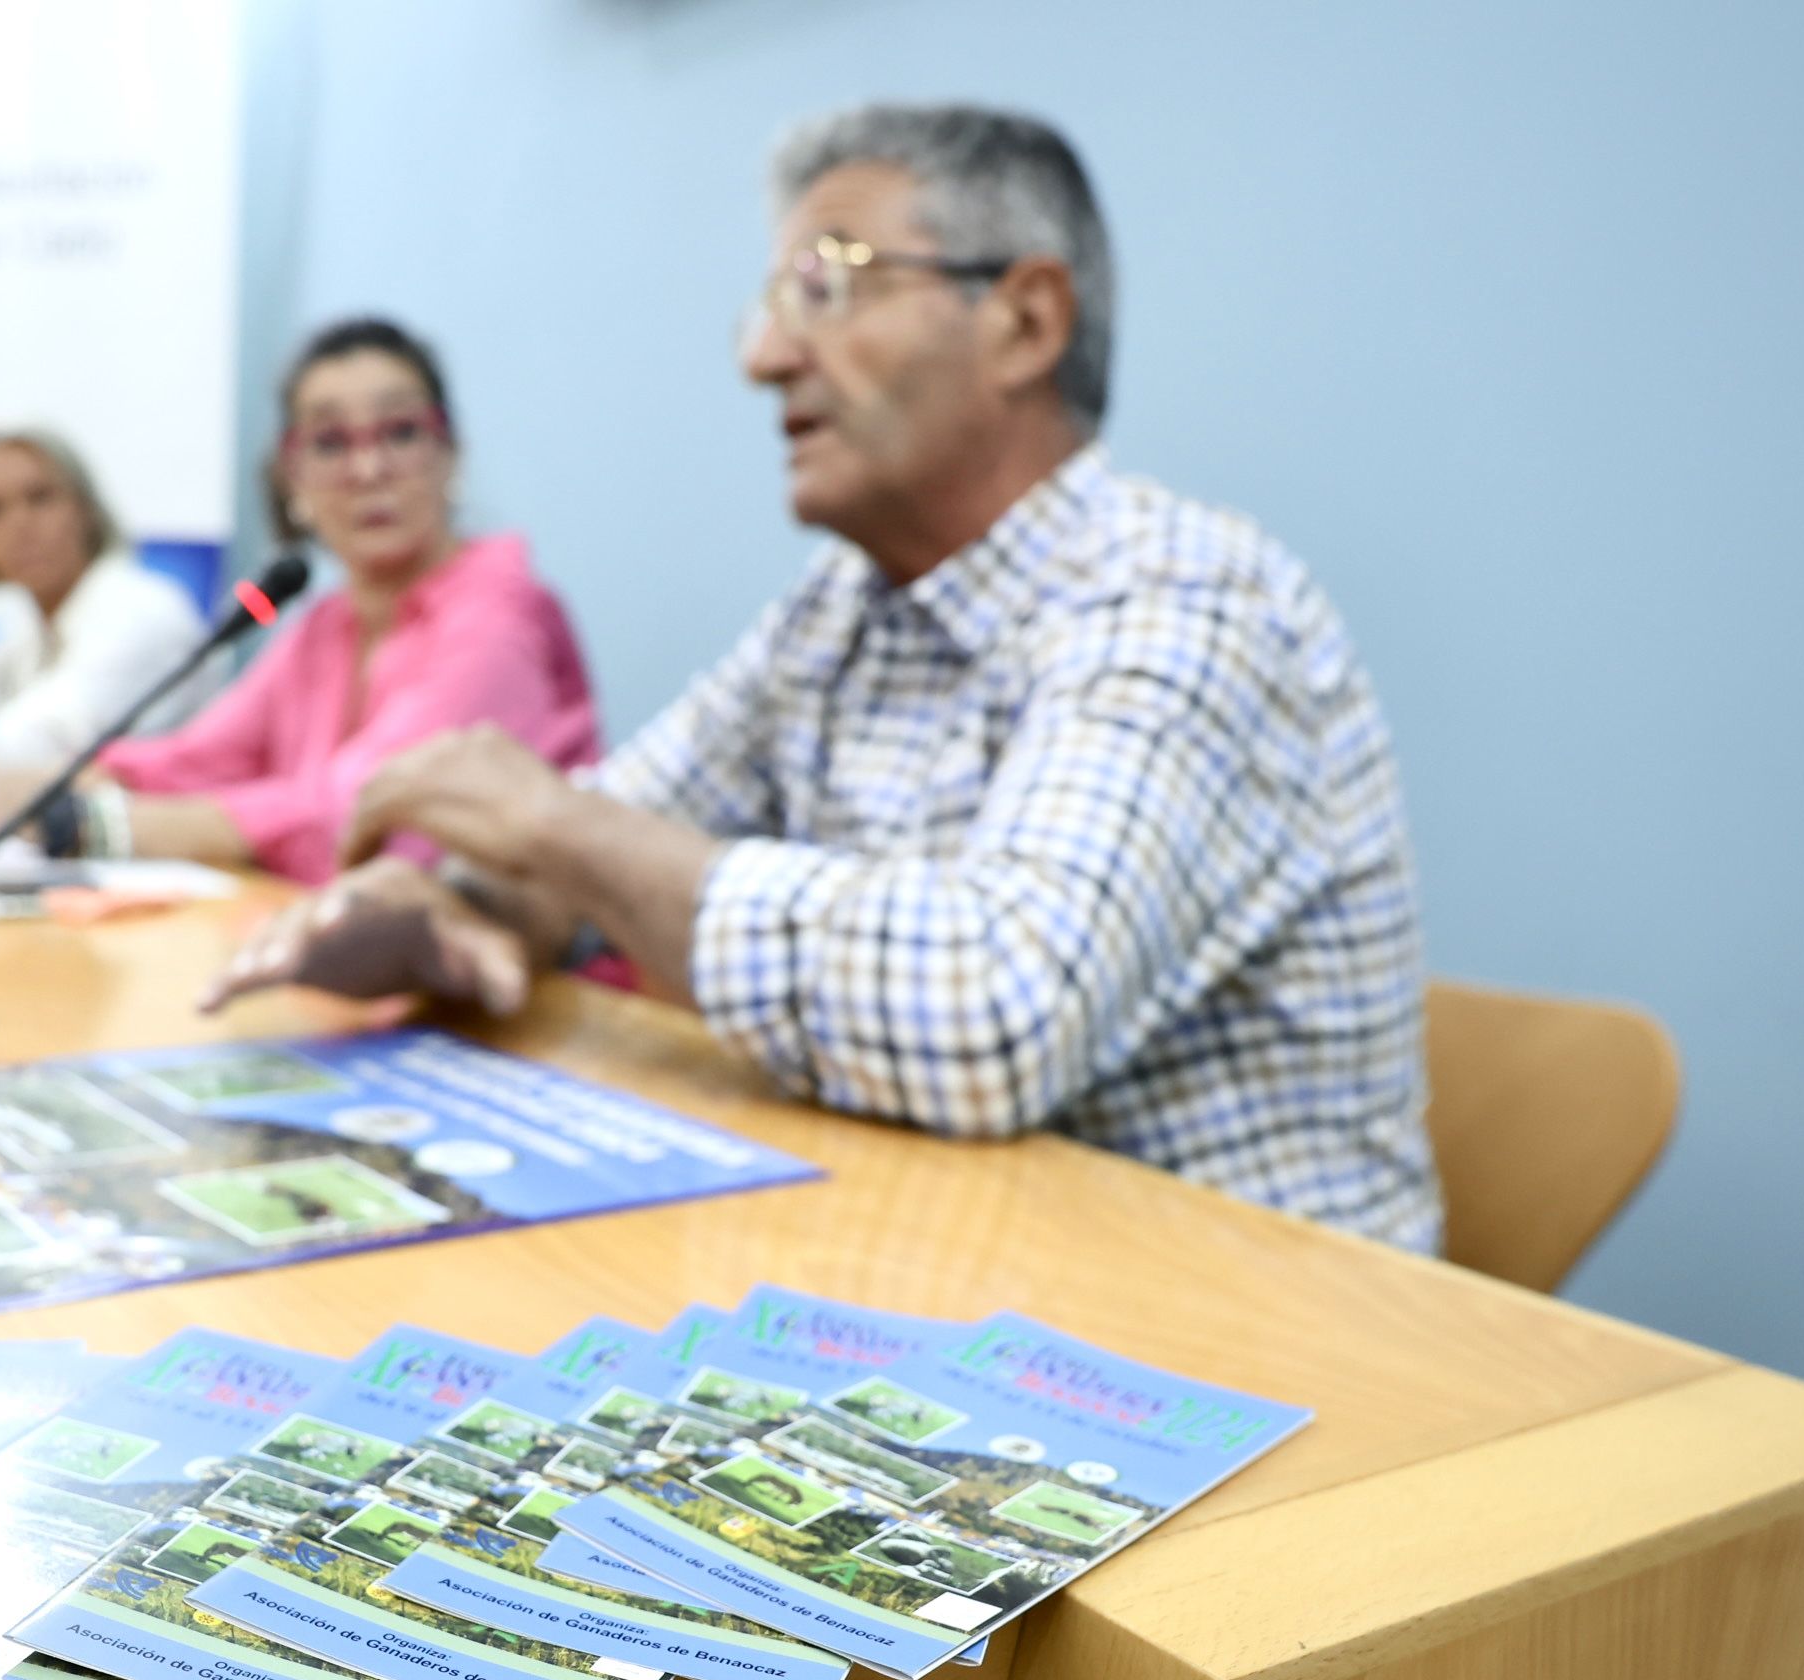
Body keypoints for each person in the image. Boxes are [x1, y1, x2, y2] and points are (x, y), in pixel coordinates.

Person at [206, 105, 1440, 1250]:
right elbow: (593, 858)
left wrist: (559, 829)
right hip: (959, 1275)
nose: (762, 354)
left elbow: (989, 1018)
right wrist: (452, 911)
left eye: (826, 286)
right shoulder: (838, 613)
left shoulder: (1182, 595)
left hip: (1259, 1343)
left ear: (1025, 321)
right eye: (769, 299)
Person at [50, 317, 600, 884]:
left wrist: (93, 826)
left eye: (402, 432)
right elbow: (195, 762)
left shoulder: (500, 616)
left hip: (528, 964)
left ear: (450, 453)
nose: (368, 470)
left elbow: (362, 825)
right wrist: (46, 790)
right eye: (331, 443)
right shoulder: (324, 625)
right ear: (294, 478)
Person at [0, 430, 207, 826]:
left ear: (86, 508)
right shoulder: (32, 626)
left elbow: (43, 741)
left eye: (40, 498)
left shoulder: (141, 610)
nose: (20, 524)